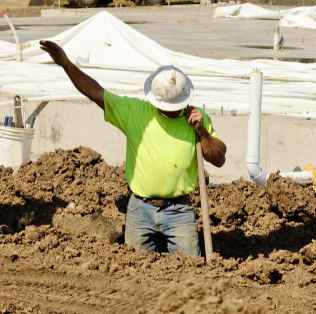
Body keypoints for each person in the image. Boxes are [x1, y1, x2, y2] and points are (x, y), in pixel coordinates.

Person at [40, 40, 226, 256]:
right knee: (135, 271)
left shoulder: (197, 119)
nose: (173, 112)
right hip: (140, 208)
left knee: (188, 268)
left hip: (179, 211)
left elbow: (219, 158)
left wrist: (202, 132)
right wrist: (66, 64)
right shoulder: (136, 112)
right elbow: (96, 93)